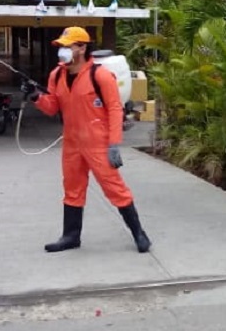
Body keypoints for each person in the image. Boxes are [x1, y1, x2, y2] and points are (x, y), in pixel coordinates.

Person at [25, 26, 152, 254]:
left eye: (68, 46)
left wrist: (114, 144)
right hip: (72, 142)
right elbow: (53, 107)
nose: (63, 50)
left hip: (98, 143)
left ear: (82, 47)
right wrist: (37, 97)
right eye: (61, 46)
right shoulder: (57, 75)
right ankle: (71, 236)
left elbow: (115, 109)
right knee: (72, 188)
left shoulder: (100, 75)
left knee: (114, 188)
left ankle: (139, 234)